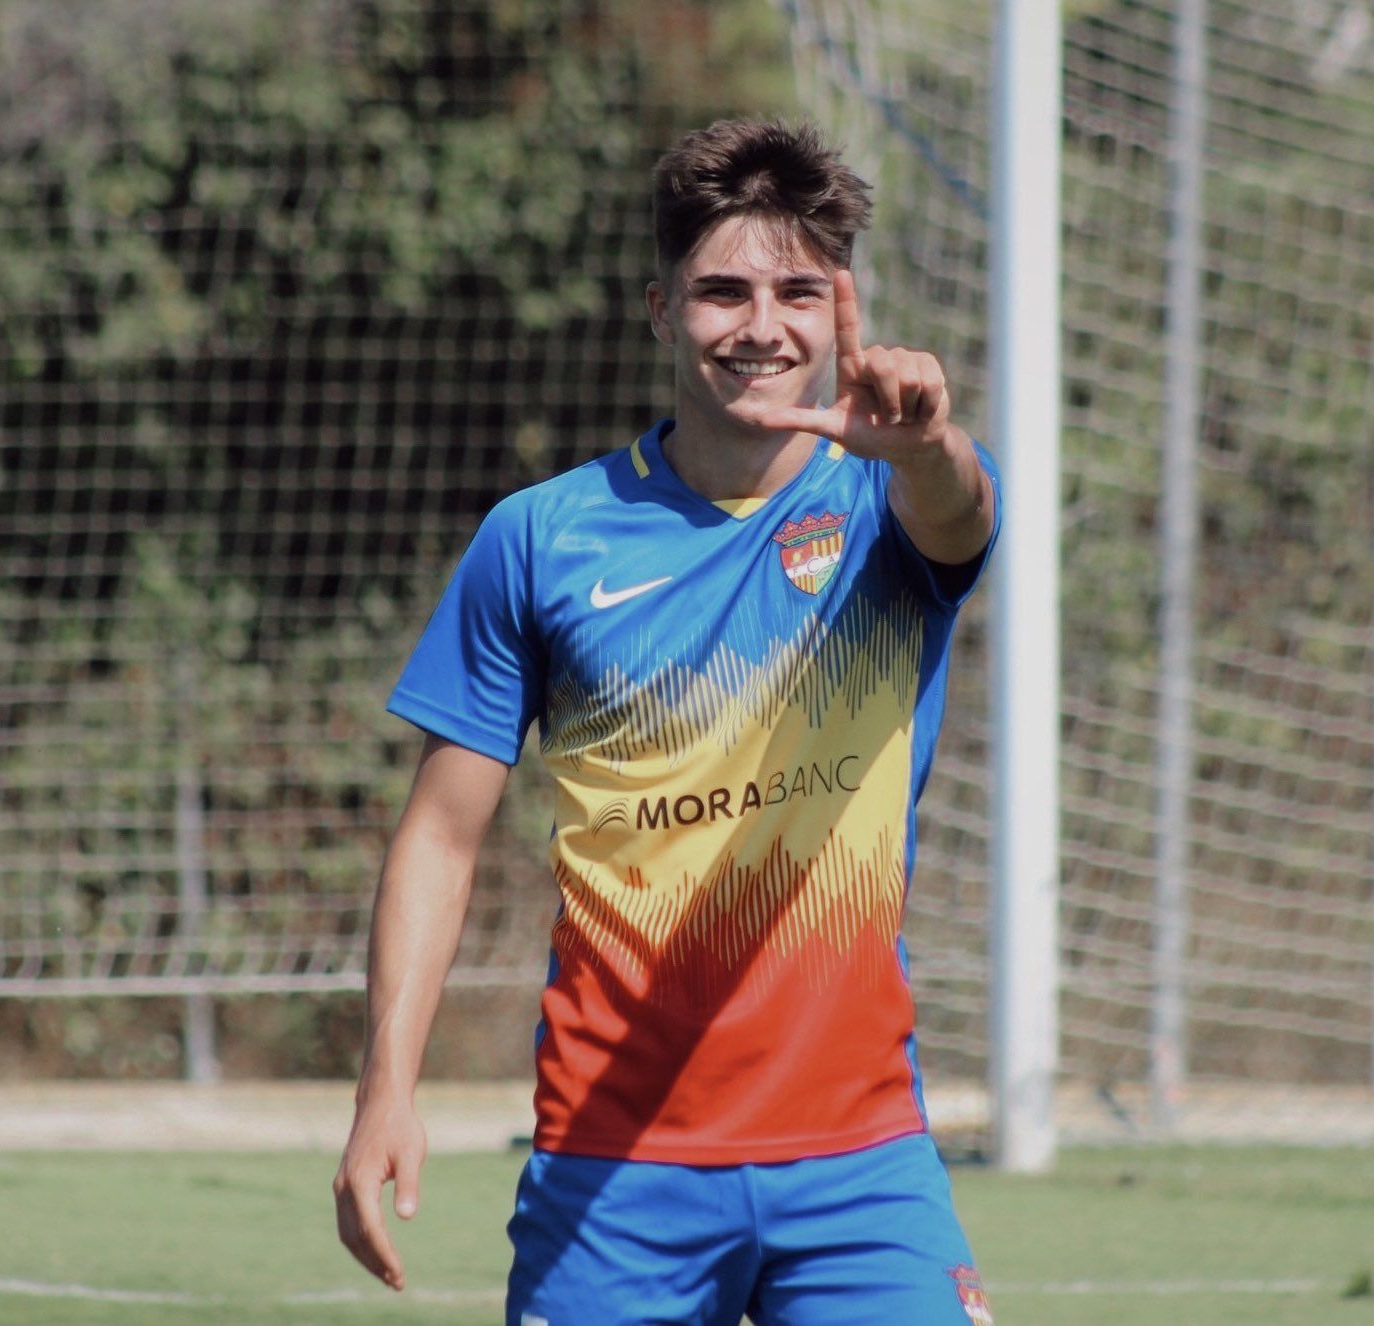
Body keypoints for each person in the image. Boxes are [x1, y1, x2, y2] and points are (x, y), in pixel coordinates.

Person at [333, 117, 1000, 1326]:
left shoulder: (890, 504)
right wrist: (386, 1084)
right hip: (612, 1164)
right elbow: (437, 835)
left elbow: (957, 515)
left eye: (799, 290)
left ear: (837, 305)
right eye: (722, 291)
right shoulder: (538, 541)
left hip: (860, 1159)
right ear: (658, 307)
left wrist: (926, 448)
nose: (762, 324)